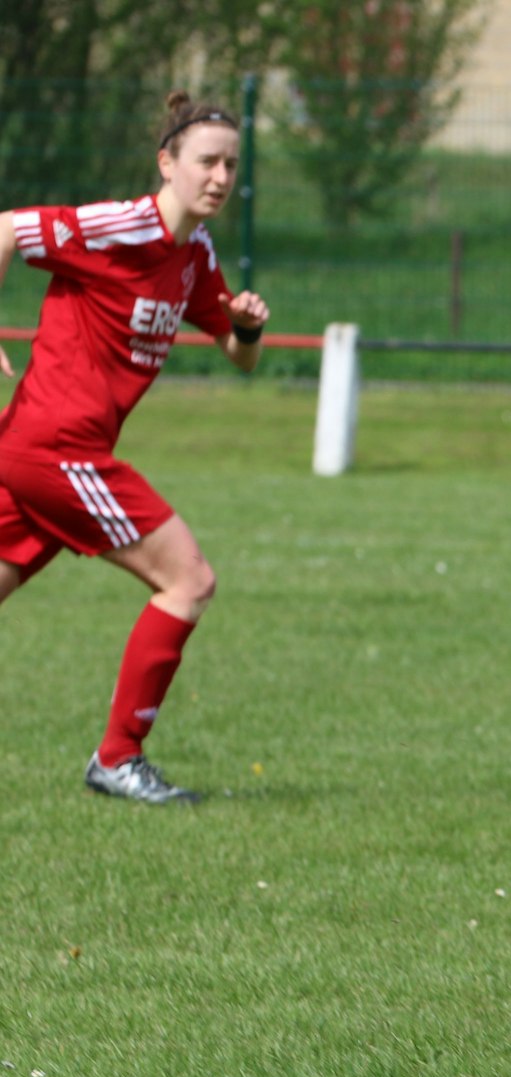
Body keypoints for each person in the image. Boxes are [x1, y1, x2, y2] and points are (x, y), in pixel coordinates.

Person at [0, 92, 270, 805]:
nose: (219, 176)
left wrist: (243, 327)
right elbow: (3, 228)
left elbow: (238, 359)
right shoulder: (122, 226)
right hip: (57, 447)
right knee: (189, 579)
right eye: (206, 161)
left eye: (231, 165)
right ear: (167, 162)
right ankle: (117, 757)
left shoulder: (197, 254)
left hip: (41, 451)